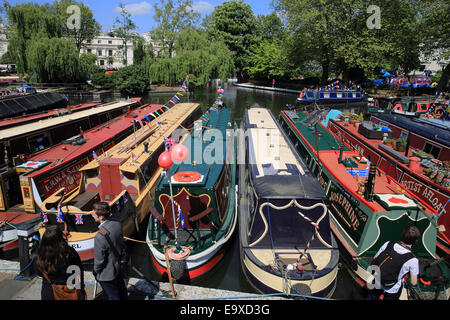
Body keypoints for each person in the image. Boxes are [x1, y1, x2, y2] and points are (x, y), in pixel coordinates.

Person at [367, 226, 420, 300]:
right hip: (393, 288)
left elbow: (375, 258)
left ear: (402, 235)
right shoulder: (413, 260)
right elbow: (413, 282)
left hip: (377, 280)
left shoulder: (388, 244)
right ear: (416, 241)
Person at [36, 225, 85, 300]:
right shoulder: (69, 253)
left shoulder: (40, 256)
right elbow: (77, 273)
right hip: (67, 292)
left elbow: (39, 272)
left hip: (49, 291)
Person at [92, 202, 128, 300]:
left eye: (94, 213)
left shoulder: (99, 237)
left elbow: (99, 261)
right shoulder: (116, 223)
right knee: (122, 290)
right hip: (118, 265)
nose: (92, 214)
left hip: (107, 273)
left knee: (113, 296)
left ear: (101, 217)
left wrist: (95, 271)